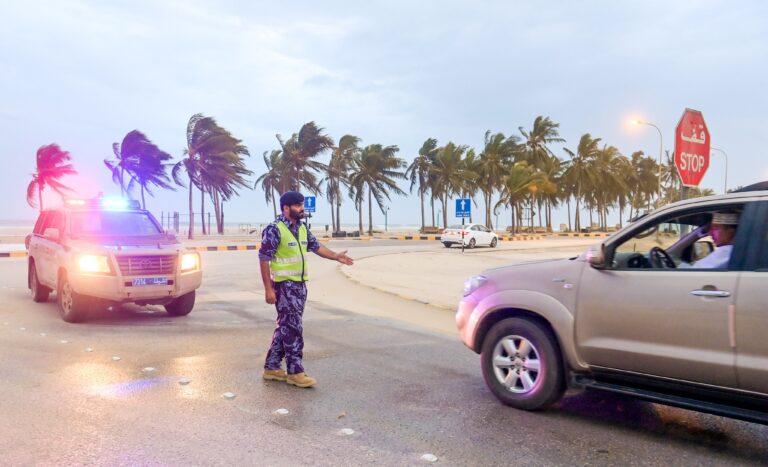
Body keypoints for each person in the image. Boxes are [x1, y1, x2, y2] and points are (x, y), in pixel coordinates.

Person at [259, 191, 354, 388]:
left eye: (302, 204)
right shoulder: (274, 229)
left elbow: (316, 246)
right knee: (293, 328)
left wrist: (336, 256)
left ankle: (272, 367)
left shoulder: (301, 228)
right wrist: (268, 289)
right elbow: (264, 258)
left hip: (299, 285)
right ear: (286, 208)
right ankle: (295, 372)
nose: (302, 209)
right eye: (298, 205)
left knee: (286, 326)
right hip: (284, 285)